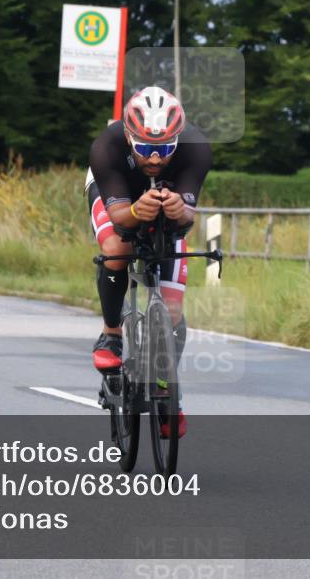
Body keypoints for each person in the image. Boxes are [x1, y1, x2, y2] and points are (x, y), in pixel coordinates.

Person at [85, 87, 211, 438]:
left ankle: (166, 389)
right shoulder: (106, 147)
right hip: (116, 192)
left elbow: (186, 220)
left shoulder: (196, 148)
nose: (154, 159)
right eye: (144, 149)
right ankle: (111, 335)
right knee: (116, 247)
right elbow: (121, 219)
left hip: (164, 204)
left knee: (171, 309)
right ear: (128, 136)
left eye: (164, 150)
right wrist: (137, 210)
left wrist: (179, 209)